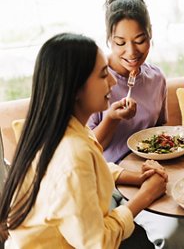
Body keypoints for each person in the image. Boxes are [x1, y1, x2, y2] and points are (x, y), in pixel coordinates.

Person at [0, 33, 167, 248]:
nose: (114, 81)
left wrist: (136, 178)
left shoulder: (62, 129)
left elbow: (88, 171)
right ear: (76, 88)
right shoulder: (72, 153)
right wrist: (146, 195)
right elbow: (98, 243)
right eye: (103, 74)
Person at [88, 0, 184, 248]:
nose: (131, 52)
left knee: (174, 235)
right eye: (120, 43)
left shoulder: (155, 78)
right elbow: (86, 149)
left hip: (148, 175)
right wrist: (111, 119)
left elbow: (160, 131)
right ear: (109, 40)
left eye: (140, 40)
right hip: (104, 180)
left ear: (151, 34)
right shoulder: (92, 79)